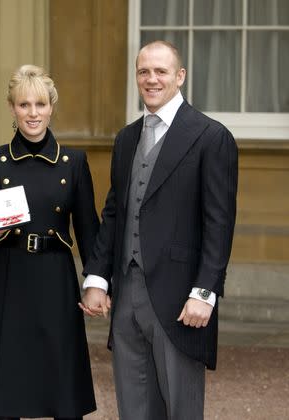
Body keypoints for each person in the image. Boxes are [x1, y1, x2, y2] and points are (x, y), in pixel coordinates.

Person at [80, 40, 238, 419]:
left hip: (180, 298)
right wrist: (97, 278)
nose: (151, 79)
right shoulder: (126, 138)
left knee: (181, 409)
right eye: (143, 72)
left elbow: (219, 223)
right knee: (133, 407)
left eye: (161, 71)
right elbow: (115, 212)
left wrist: (205, 292)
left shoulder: (211, 136)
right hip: (127, 294)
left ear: (179, 76)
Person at [0, 64, 99, 420]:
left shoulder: (72, 162)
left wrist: (95, 282)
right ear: (12, 108)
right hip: (5, 276)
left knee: (61, 384)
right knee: (7, 383)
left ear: (51, 107)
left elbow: (89, 229)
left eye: (41, 105)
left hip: (54, 278)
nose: (33, 113)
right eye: (24, 105)